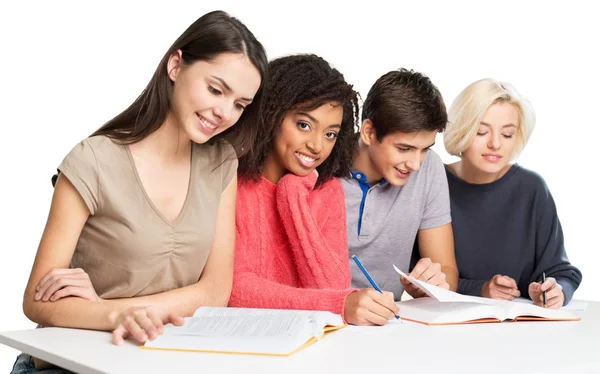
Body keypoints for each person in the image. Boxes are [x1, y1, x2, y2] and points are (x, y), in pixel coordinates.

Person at [13, 10, 267, 374]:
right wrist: (117, 312)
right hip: (64, 365)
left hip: (152, 362)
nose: (224, 112)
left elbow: (215, 292)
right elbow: (36, 300)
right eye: (215, 89)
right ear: (176, 66)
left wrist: (100, 306)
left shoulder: (221, 164)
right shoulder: (94, 159)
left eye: (240, 104)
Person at [229, 54, 400, 326]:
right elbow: (235, 291)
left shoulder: (328, 191)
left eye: (330, 133)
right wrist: (337, 305)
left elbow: (330, 286)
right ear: (272, 115)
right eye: (304, 125)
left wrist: (293, 197)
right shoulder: (233, 185)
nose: (317, 146)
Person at [443, 78, 582, 308]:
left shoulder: (532, 188)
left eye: (507, 134)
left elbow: (562, 271)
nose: (495, 144)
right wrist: (481, 289)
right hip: (445, 327)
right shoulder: (435, 182)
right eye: (481, 132)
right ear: (462, 130)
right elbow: (420, 275)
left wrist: (556, 291)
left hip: (520, 331)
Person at [342, 68, 458, 301]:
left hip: (388, 321)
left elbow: (447, 271)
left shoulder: (429, 168)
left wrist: (432, 283)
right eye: (404, 148)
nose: (415, 164)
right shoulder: (321, 159)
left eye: (425, 148)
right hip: (322, 317)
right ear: (368, 132)